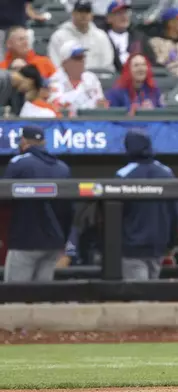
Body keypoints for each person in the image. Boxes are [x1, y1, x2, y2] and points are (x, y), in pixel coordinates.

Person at [3, 125, 73, 282]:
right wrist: (63, 240)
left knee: (16, 297)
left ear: (24, 141)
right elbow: (70, 210)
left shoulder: (18, 163)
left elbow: (4, 200)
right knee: (42, 297)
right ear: (43, 142)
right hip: (53, 243)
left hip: (24, 241)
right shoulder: (62, 167)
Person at [116, 130, 178, 280]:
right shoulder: (167, 173)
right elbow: (175, 214)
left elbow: (116, 216)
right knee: (152, 295)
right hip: (159, 245)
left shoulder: (124, 175)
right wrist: (171, 243)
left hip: (132, 248)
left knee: (140, 297)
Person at [48, 0, 115, 71]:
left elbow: (107, 63)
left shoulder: (101, 36)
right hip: (67, 79)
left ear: (92, 15)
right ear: (73, 14)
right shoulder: (59, 36)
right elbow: (55, 64)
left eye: (87, 12)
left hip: (97, 79)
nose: (84, 15)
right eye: (80, 11)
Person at [48, 41, 109, 115]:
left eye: (83, 57)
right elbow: (58, 107)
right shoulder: (55, 80)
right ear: (65, 62)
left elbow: (101, 105)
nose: (82, 61)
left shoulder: (91, 78)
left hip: (90, 121)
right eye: (78, 58)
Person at [105, 0, 158, 72]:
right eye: (119, 13)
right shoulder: (103, 38)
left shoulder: (140, 37)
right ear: (109, 18)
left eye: (126, 12)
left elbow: (151, 61)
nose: (124, 16)